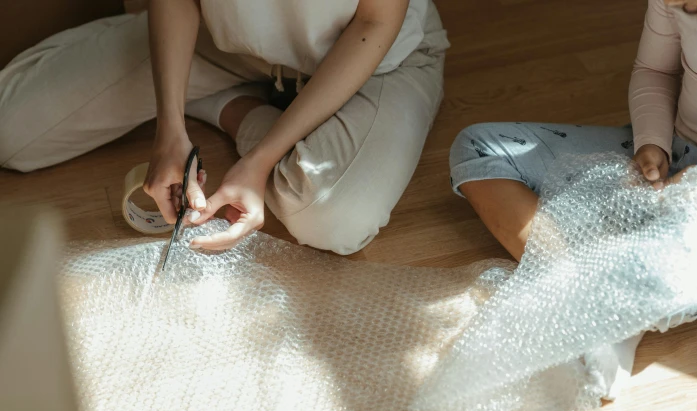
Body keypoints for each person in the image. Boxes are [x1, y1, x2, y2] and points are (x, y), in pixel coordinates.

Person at [0, 0, 449, 255]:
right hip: (226, 45)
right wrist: (169, 127)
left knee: (333, 219)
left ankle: (234, 110)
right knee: (11, 130)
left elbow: (375, 20)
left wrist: (260, 157)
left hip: (373, 56)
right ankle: (222, 101)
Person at [448, 0, 697, 398]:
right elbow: (654, 70)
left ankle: (616, 311)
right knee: (479, 148)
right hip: (680, 147)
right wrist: (652, 143)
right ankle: (593, 303)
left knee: (687, 249)